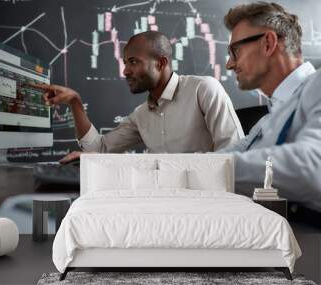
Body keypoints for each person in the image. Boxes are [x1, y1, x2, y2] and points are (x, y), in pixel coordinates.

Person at [36, 31, 243, 162]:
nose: (125, 71)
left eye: (133, 62)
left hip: (207, 205)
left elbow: (234, 155)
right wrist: (75, 101)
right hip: (158, 203)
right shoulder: (141, 115)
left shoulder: (204, 89)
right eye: (125, 62)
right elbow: (99, 148)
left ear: (161, 63)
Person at [219, 2, 321, 213]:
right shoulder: (266, 122)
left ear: (268, 43)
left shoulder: (317, 85)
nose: (229, 64)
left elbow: (313, 169)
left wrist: (208, 171)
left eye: (235, 51)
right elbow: (222, 159)